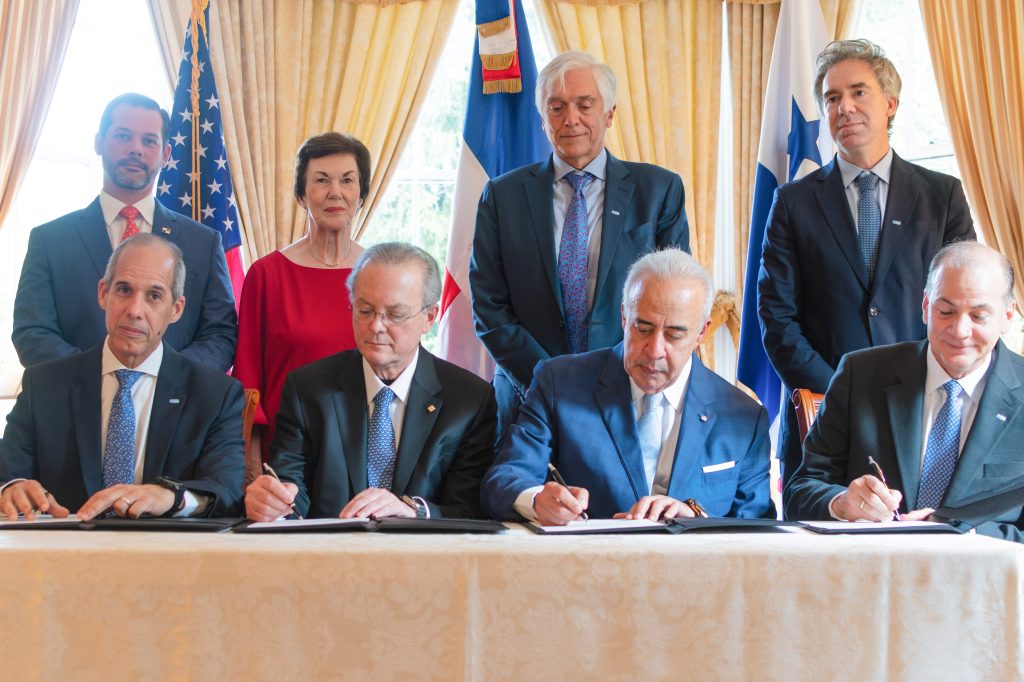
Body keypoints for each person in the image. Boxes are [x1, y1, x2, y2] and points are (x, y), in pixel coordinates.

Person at [757, 40, 975, 493]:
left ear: (890, 103)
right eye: (832, 98)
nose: (845, 107)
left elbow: (961, 304)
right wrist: (843, 391)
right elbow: (776, 319)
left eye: (859, 92)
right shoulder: (793, 203)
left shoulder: (943, 196)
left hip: (920, 414)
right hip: (822, 419)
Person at [470, 50, 690, 438]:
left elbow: (672, 299)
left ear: (609, 114)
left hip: (627, 395)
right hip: (527, 397)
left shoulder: (658, 190)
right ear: (543, 119)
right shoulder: (501, 196)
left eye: (584, 105)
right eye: (556, 108)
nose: (570, 119)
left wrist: (615, 378)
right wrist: (549, 380)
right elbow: (489, 306)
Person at [482, 248, 773, 524]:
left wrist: (697, 519)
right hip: (588, 558)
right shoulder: (559, 383)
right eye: (643, 329)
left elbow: (757, 525)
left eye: (674, 336)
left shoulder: (744, 417)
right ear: (624, 316)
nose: (654, 350)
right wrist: (536, 500)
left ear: (701, 332)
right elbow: (505, 479)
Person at [785, 242, 1024, 542]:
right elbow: (800, 492)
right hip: (871, 564)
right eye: (946, 311)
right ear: (925, 307)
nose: (960, 331)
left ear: (1007, 316)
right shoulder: (860, 374)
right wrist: (842, 503)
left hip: (989, 570)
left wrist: (967, 533)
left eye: (978, 316)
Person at [245, 243, 497, 521]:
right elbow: (292, 486)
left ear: (429, 317)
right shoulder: (307, 389)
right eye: (365, 310)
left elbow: (469, 508)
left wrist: (413, 511)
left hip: (424, 548)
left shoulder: (469, 400)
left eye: (395, 315)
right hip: (329, 546)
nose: (376, 326)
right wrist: (275, 502)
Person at [0, 235, 245, 521]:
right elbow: (8, 473)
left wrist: (172, 497)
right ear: (103, 293)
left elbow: (227, 491)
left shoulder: (215, 395)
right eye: (124, 290)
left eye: (154, 296)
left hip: (168, 547)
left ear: (176, 309)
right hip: (66, 545)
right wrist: (12, 488)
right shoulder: (43, 384)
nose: (135, 311)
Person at [12, 92, 237, 371]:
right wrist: (102, 379)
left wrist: (161, 381)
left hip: (176, 397)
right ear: (98, 142)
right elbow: (32, 332)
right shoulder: (50, 240)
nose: (136, 149)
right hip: (74, 394)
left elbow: (220, 335)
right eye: (123, 136)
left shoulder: (203, 243)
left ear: (166, 154)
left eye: (149, 141)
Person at [233, 133, 367, 461]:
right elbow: (248, 380)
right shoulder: (266, 275)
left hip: (365, 453)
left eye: (347, 180)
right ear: (302, 196)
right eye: (321, 180)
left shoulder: (381, 275)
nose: (335, 191)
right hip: (286, 455)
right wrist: (252, 469)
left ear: (361, 195)